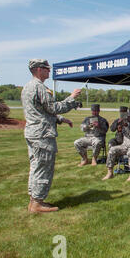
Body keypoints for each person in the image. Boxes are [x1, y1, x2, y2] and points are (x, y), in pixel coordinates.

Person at [21, 59, 81, 213]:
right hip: (42, 135)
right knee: (44, 167)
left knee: (36, 166)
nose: (49, 71)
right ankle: (37, 203)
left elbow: (42, 112)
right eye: (46, 68)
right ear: (39, 69)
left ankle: (34, 200)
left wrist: (61, 119)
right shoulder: (39, 87)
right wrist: (71, 98)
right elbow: (54, 107)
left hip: (33, 132)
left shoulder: (27, 87)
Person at [102, 108, 130, 181]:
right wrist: (119, 125)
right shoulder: (124, 123)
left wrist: (126, 127)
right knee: (112, 150)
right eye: (129, 117)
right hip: (124, 145)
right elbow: (113, 129)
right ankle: (110, 172)